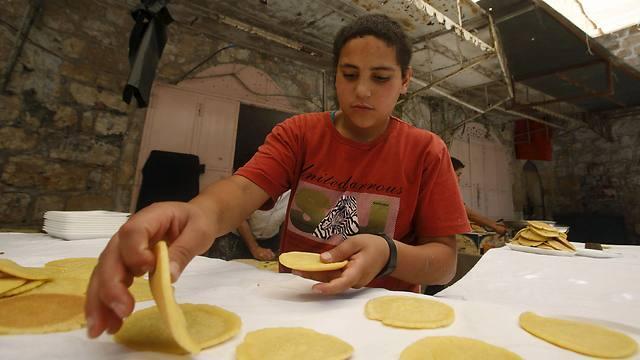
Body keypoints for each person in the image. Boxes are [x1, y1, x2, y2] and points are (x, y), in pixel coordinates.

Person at [85, 14, 470, 338]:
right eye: (349, 74)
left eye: (381, 78)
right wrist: (199, 214)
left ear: (405, 80)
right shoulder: (300, 134)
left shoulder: (426, 151)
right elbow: (240, 190)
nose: (362, 90)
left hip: (383, 322)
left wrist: (388, 254)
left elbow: (444, 262)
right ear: (334, 75)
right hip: (292, 307)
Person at [207, 190, 290, 261]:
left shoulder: (294, 190)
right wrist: (254, 248)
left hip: (269, 242)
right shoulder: (254, 185)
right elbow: (239, 217)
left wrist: (283, 247)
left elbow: (286, 220)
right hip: (236, 240)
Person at [450, 157, 507, 235]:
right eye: (458, 175)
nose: (459, 179)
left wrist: (493, 224)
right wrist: (495, 226)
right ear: (448, 172)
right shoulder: (444, 190)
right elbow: (468, 213)